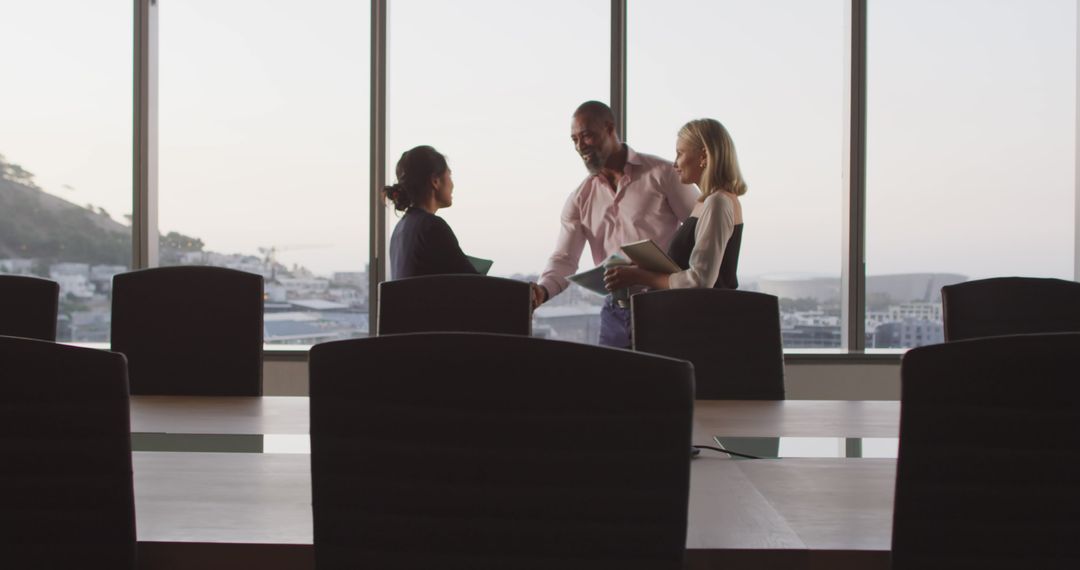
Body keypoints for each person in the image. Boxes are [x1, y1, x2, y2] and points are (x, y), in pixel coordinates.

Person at [532, 101, 699, 348]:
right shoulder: (580, 199)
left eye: (587, 136)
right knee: (613, 384)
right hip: (615, 311)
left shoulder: (663, 174)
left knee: (665, 383)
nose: (580, 146)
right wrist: (542, 291)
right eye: (575, 140)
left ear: (610, 129)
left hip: (664, 305)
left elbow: (701, 229)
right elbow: (565, 259)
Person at [603, 118, 745, 293]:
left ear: (703, 156)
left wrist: (639, 276)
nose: (675, 163)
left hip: (706, 318)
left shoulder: (718, 202)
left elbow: (699, 281)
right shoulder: (706, 202)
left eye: (680, 153)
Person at [385, 145, 478, 280]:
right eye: (449, 175)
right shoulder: (432, 227)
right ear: (435, 181)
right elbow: (473, 284)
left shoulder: (400, 230)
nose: (452, 184)